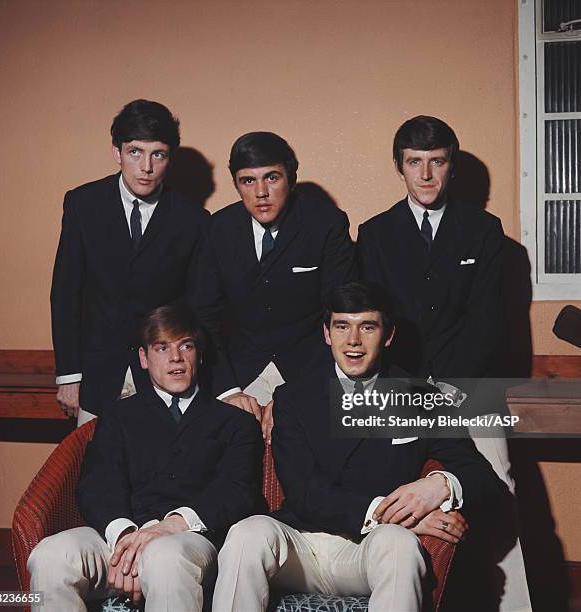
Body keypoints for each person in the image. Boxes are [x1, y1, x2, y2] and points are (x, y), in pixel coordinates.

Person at [213, 282, 503, 612]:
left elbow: (483, 479)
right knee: (247, 533)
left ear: (388, 334)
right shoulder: (294, 397)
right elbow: (305, 493)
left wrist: (439, 485)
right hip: (300, 544)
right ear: (327, 334)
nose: (353, 341)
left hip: (366, 551)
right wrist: (396, 515)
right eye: (342, 326)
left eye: (367, 326)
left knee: (400, 546)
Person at [357, 116, 531, 611]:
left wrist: (449, 387)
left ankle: (512, 606)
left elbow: (489, 321)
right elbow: (375, 322)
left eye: (437, 162)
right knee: (397, 487)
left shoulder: (484, 230)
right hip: (400, 386)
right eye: (415, 163)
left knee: (497, 481)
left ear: (451, 167)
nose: (426, 175)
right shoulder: (374, 234)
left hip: (470, 385)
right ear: (400, 168)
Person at [28, 302, 266, 611]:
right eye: (162, 348)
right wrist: (125, 536)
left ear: (201, 355)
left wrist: (171, 526)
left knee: (165, 558)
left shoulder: (235, 422)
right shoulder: (117, 417)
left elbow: (237, 492)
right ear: (144, 358)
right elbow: (97, 483)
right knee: (51, 555)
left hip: (190, 541)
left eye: (186, 346)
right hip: (122, 536)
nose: (176, 359)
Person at [51, 99, 209, 424]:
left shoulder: (193, 219)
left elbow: (195, 307)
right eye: (135, 152)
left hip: (164, 376)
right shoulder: (83, 204)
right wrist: (68, 375)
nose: (146, 167)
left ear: (169, 159)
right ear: (117, 153)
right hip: (97, 375)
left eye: (158, 154)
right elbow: (66, 293)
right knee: (96, 470)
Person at [190, 131, 357, 438]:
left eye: (272, 178)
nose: (261, 192)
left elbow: (341, 318)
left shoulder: (326, 223)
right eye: (247, 181)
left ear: (291, 179)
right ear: (237, 185)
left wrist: (300, 394)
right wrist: (227, 389)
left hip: (309, 370)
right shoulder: (218, 229)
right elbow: (204, 316)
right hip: (238, 372)